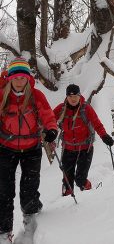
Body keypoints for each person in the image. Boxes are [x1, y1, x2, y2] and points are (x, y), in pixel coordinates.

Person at [0, 57, 58, 243]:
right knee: (3, 191)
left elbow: (48, 115)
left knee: (29, 187)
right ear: (10, 78)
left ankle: (30, 221)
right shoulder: (2, 95)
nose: (19, 81)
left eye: (22, 77)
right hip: (5, 148)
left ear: (27, 79)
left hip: (32, 148)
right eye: (15, 77)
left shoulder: (36, 95)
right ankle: (3, 232)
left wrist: (51, 130)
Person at [53, 84, 114, 196]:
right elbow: (49, 120)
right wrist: (47, 132)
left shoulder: (86, 109)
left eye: (75, 95)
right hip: (68, 149)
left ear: (79, 95)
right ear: (66, 97)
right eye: (70, 96)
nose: (73, 98)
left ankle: (88, 192)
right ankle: (67, 202)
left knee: (80, 180)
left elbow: (97, 124)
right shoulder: (61, 109)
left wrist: (104, 136)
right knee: (67, 180)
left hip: (85, 149)